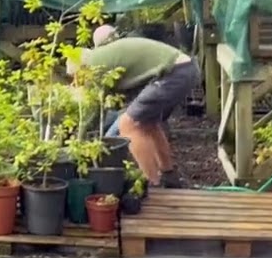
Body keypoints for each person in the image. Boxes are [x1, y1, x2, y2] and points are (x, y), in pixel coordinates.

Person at [68, 26, 197, 188]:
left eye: (75, 77)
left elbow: (93, 110)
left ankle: (152, 184)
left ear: (80, 68)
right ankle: (169, 176)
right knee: (148, 123)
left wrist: (77, 138)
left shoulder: (94, 65)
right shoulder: (104, 57)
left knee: (128, 124)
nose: (77, 82)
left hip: (172, 73)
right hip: (185, 68)